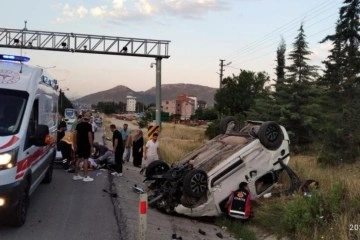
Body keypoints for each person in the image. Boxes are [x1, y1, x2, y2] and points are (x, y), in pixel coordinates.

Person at [73, 112, 94, 182]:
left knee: (78, 159)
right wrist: (91, 146)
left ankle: (75, 175)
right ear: (88, 119)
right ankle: (85, 177)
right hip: (86, 145)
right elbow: (90, 136)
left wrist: (75, 144)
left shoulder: (78, 125)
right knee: (85, 160)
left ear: (83, 117)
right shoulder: (89, 126)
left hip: (79, 145)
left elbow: (75, 135)